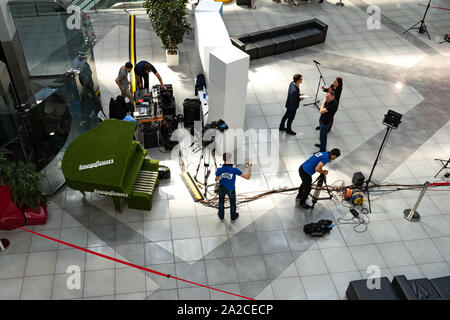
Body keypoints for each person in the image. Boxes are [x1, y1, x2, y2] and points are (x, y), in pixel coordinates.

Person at [215, 153, 252, 223]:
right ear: (230, 159)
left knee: (221, 202)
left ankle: (221, 216)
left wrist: (219, 178)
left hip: (222, 188)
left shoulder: (219, 170)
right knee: (232, 203)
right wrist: (249, 166)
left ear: (223, 159)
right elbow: (247, 177)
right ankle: (233, 217)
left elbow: (216, 179)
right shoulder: (235, 170)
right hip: (231, 189)